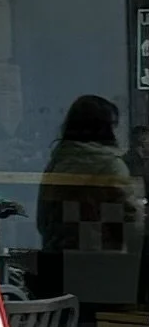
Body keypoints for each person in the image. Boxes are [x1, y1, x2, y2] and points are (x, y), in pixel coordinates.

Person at [37, 95, 142, 255]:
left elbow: (44, 221)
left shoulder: (58, 163)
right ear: (107, 128)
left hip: (58, 256)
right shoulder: (110, 166)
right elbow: (129, 221)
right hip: (102, 258)